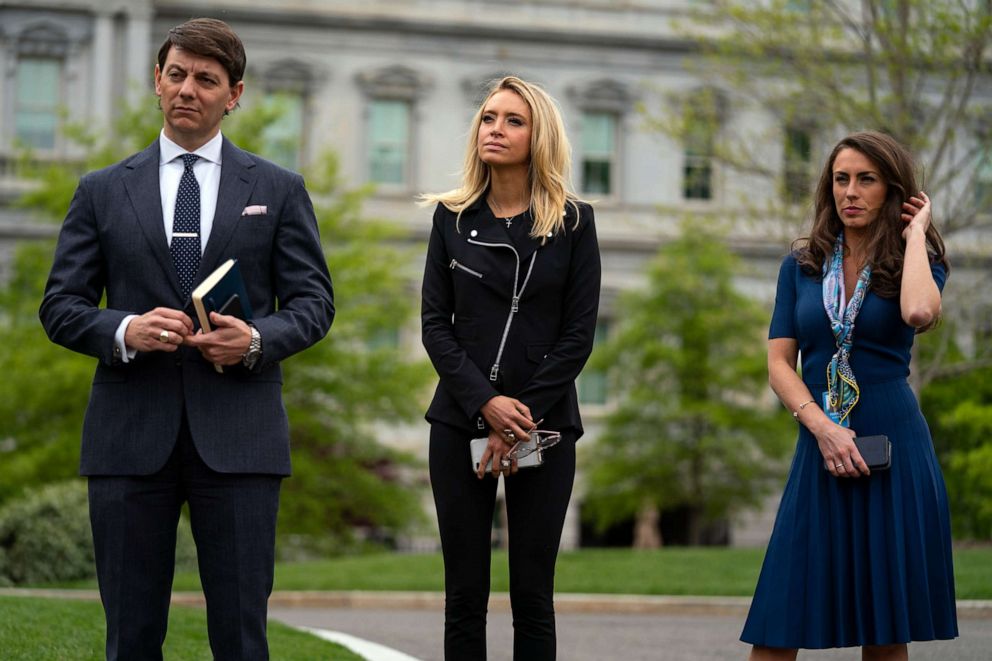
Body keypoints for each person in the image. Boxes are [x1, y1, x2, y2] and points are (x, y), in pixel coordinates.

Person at [39, 18, 334, 660]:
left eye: (206, 79)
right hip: (128, 436)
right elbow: (59, 306)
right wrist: (124, 328)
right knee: (131, 638)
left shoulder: (279, 190)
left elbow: (315, 304)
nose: (187, 90)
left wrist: (255, 339)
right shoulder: (101, 190)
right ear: (157, 80)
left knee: (241, 639)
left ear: (235, 95)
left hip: (240, 438)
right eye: (176, 74)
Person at [740, 131, 958, 660]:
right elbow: (778, 364)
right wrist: (822, 427)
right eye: (841, 179)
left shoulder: (918, 262)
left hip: (893, 445)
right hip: (821, 439)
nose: (851, 192)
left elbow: (919, 313)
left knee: (884, 629)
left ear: (892, 190)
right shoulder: (802, 266)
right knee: (779, 621)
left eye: (866, 180)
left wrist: (914, 237)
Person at [420, 75, 601, 659]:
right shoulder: (451, 219)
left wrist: (517, 418)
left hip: (542, 426)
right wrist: (484, 404)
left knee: (532, 594)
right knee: (464, 594)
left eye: (513, 120)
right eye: (489, 117)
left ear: (538, 134)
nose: (495, 129)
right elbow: (434, 325)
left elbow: (578, 335)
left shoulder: (574, 222)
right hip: (459, 420)